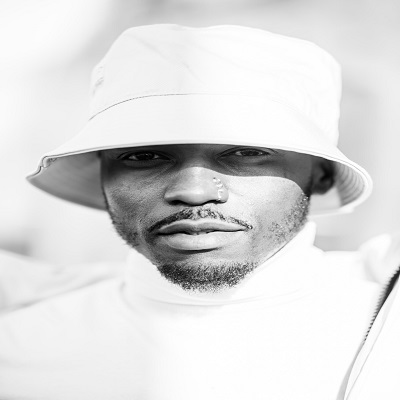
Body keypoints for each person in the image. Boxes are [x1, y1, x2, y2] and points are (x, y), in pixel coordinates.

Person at [0, 24, 393, 399]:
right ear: (102, 176)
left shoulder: (387, 324)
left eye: (247, 153)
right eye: (145, 156)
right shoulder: (20, 354)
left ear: (321, 175)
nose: (193, 191)